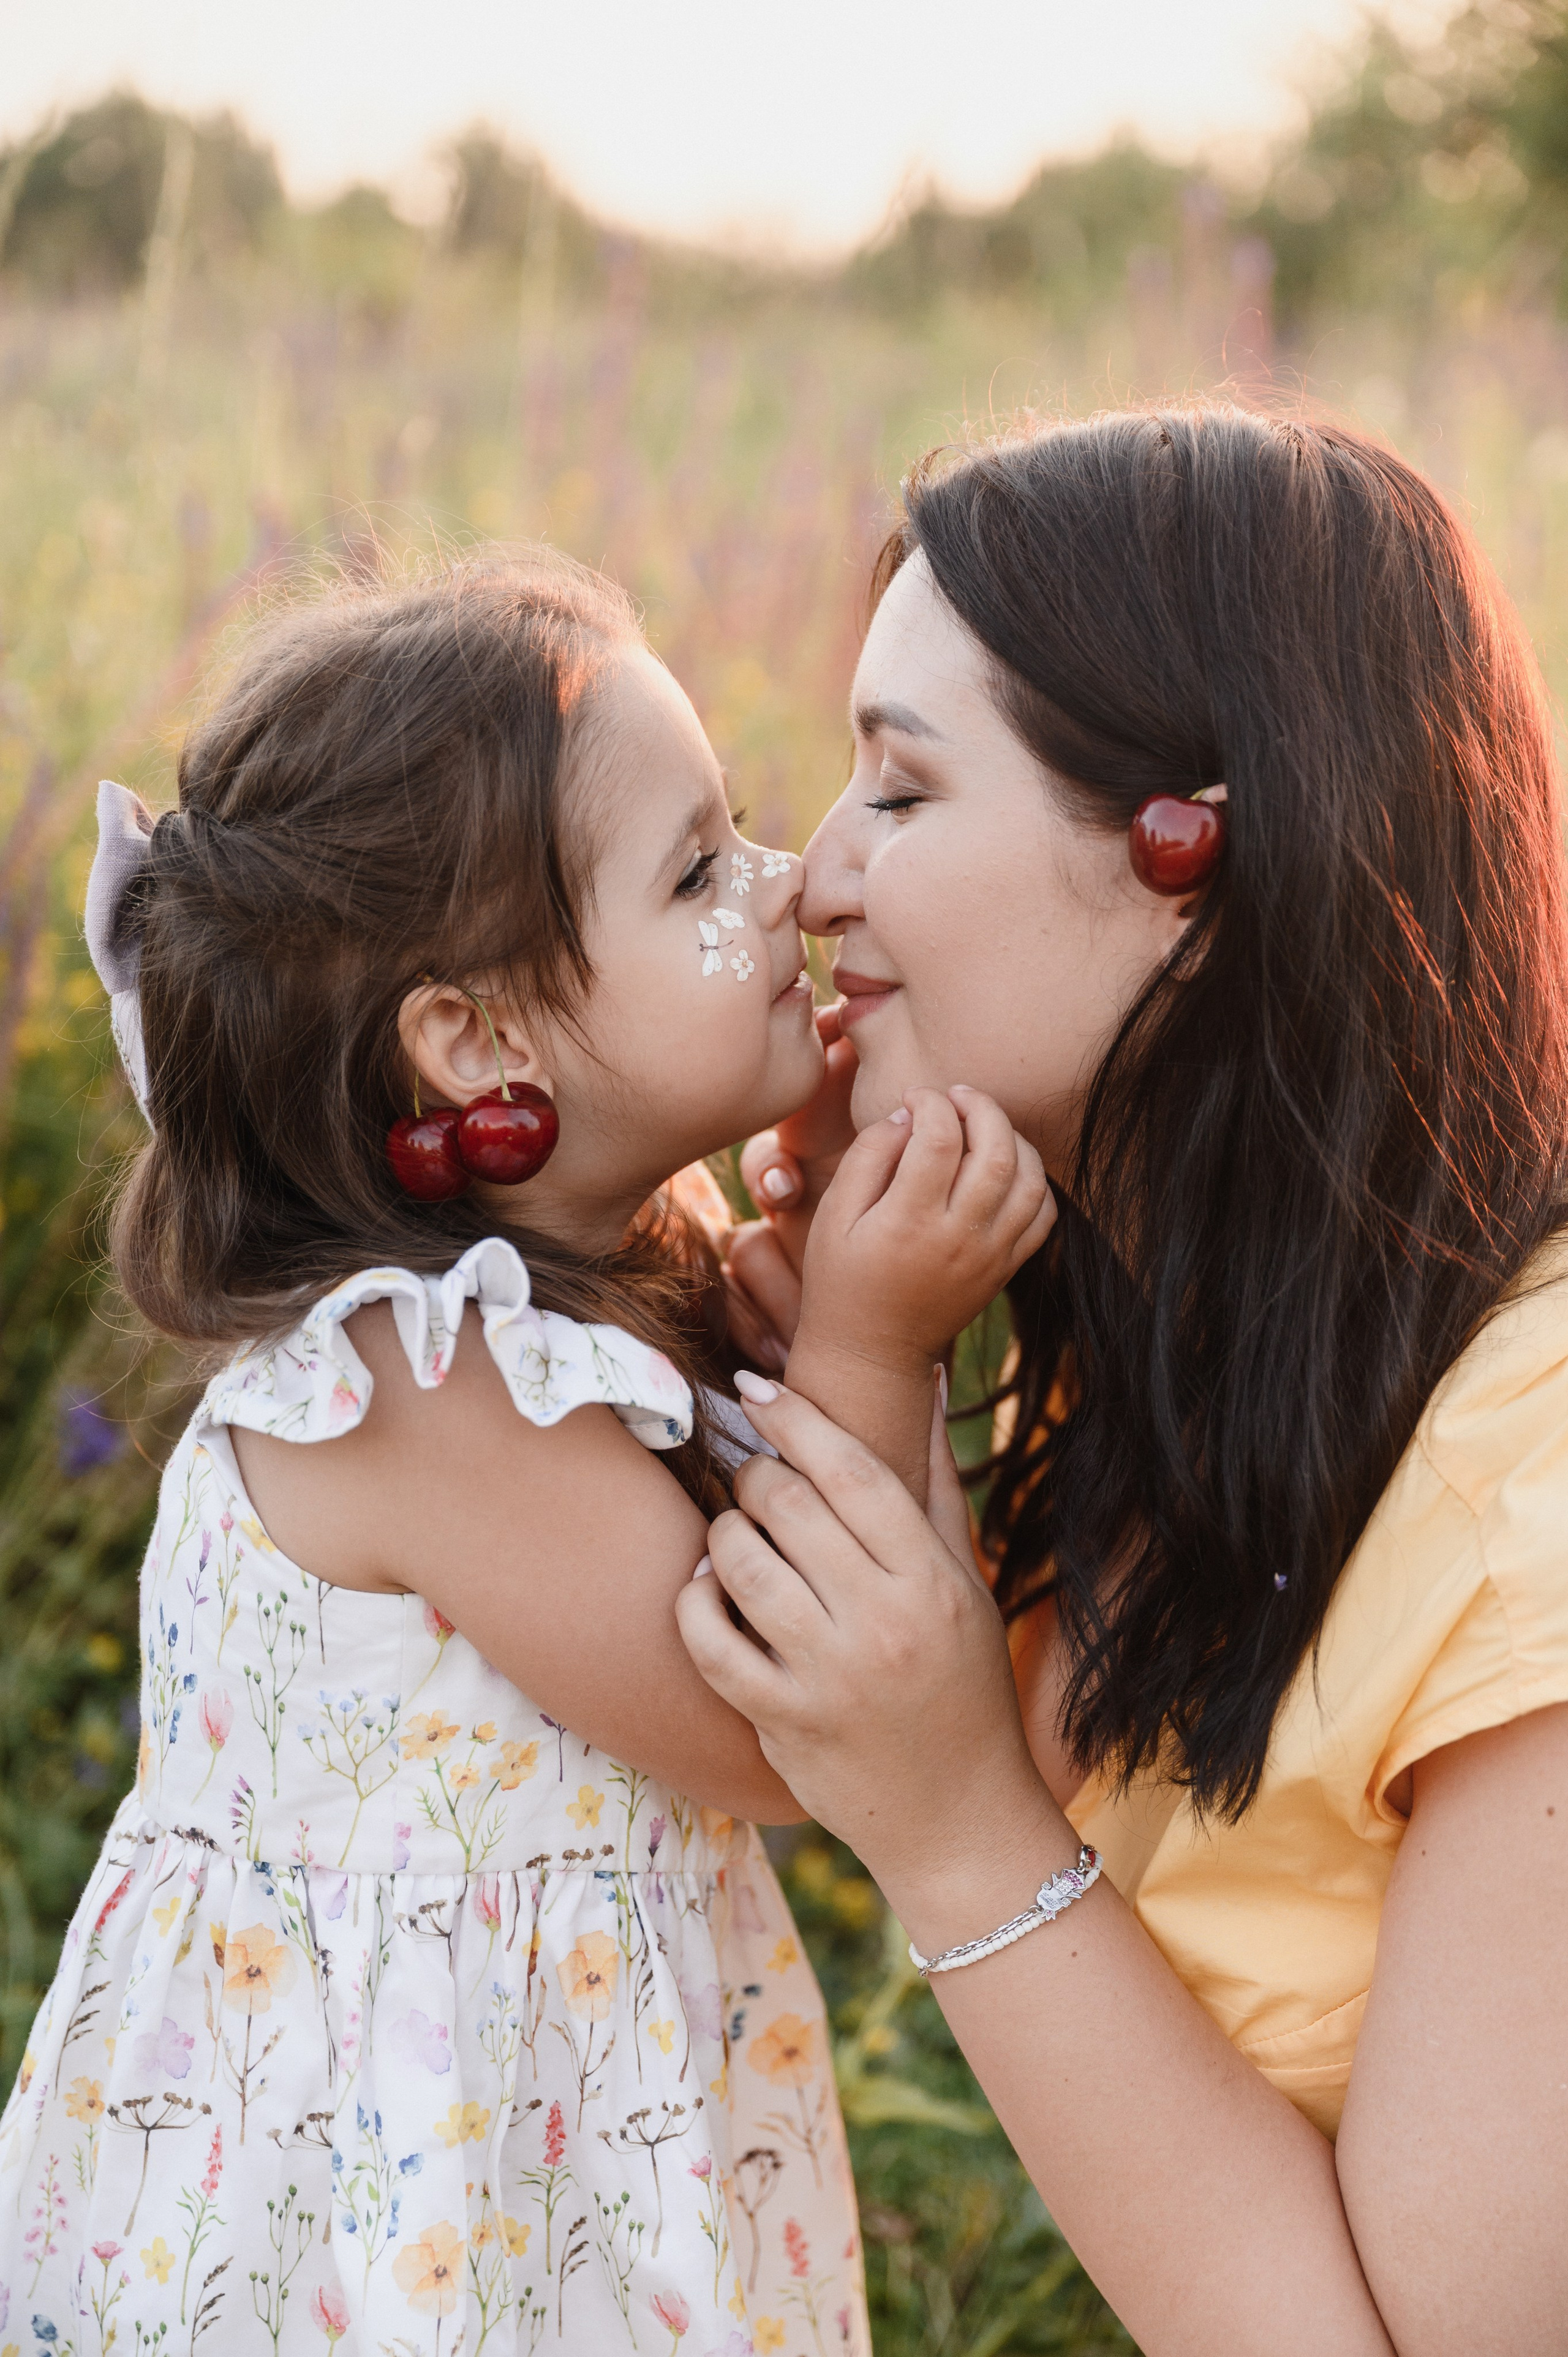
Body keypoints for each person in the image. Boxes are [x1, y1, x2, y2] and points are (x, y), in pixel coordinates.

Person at [0, 554, 1044, 2356]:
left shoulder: (601, 1284)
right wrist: (875, 1340)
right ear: (475, 1041)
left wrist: (807, 1240)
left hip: (540, 2125)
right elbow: (794, 1727)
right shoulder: (425, 1392)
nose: (785, 884)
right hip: (389, 2195)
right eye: (698, 871)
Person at [685, 404, 1568, 2354]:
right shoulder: (1181, 1340)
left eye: (902, 791)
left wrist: (958, 1826)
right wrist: (869, 1351)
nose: (815, 879)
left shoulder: (1540, 1493)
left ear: (1197, 854)